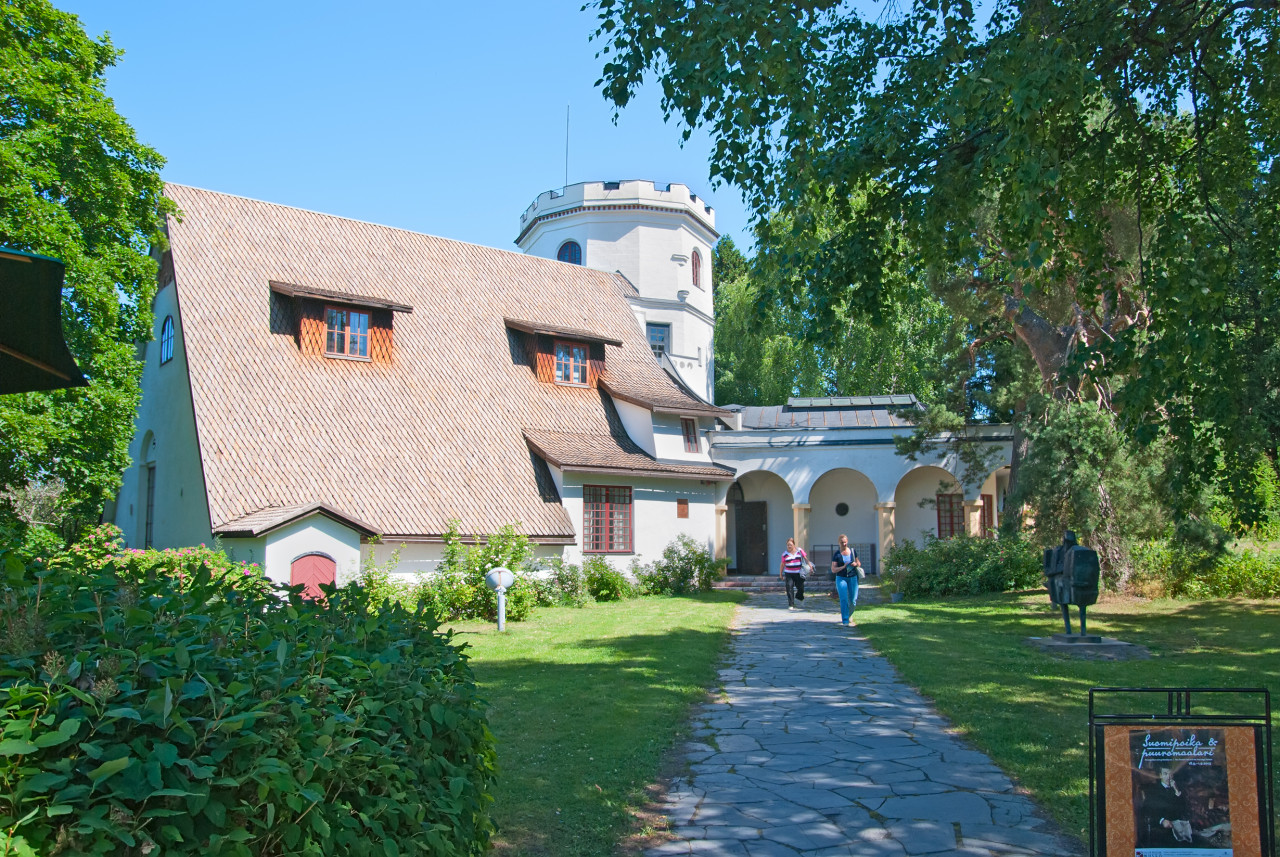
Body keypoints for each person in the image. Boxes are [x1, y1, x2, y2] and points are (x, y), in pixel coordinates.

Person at [830, 534, 863, 626]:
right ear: (838, 543)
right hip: (841, 578)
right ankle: (845, 620)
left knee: (853, 600)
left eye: (845, 542)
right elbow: (833, 569)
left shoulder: (852, 551)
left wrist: (855, 564)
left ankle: (849, 615)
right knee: (843, 598)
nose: (843, 544)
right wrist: (843, 566)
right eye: (841, 542)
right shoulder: (837, 554)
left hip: (853, 577)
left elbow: (859, 563)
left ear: (847, 541)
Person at [779, 537, 808, 610]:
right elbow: (782, 564)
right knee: (789, 587)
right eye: (788, 545)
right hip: (789, 573)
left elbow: (805, 558)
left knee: (800, 587)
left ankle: (800, 598)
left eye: (790, 545)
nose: (789, 546)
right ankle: (791, 604)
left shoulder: (799, 551)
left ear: (794, 545)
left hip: (799, 573)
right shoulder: (785, 554)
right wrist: (781, 574)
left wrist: (810, 565)